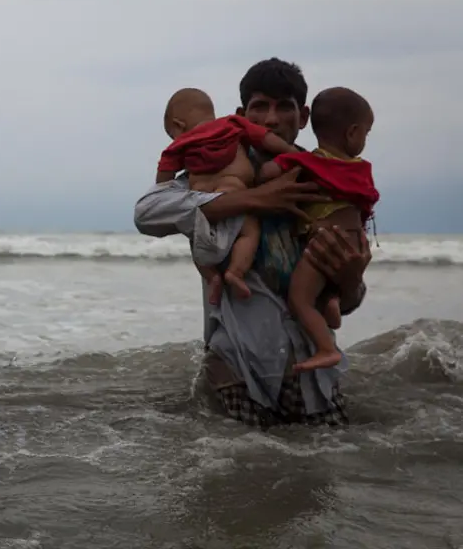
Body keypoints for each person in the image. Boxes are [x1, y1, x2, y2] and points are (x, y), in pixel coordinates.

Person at [133, 58, 371, 428]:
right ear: (242, 114)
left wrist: (351, 279)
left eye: (284, 107)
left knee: (322, 476)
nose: (271, 119)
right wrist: (253, 200)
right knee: (239, 475)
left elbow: (350, 301)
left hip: (312, 378)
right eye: (260, 107)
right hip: (239, 369)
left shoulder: (324, 179)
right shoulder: (214, 170)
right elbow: (147, 214)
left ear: (304, 116)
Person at [259, 87, 379, 372]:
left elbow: (268, 173)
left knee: (300, 299)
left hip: (323, 241)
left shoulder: (308, 164)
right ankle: (332, 301)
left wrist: (261, 179)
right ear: (351, 133)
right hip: (353, 239)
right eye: (366, 133)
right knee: (323, 285)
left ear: (306, 118)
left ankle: (326, 348)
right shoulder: (361, 168)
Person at [156, 88, 296, 303]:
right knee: (249, 233)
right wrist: (292, 153)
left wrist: (165, 189)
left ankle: (212, 277)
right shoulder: (233, 124)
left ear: (179, 125)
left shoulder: (179, 144)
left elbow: (162, 186)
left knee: (197, 243)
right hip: (233, 192)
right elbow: (266, 139)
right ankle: (235, 273)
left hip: (202, 202)